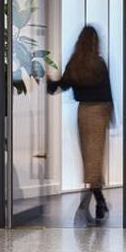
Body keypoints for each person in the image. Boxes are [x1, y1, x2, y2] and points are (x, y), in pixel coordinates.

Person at [47, 25, 113, 224]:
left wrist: (49, 82)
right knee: (97, 157)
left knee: (89, 157)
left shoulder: (76, 63)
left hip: (84, 112)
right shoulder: (99, 63)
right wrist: (112, 117)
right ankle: (99, 200)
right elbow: (107, 92)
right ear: (95, 42)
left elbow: (61, 86)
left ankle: (99, 199)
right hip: (100, 111)